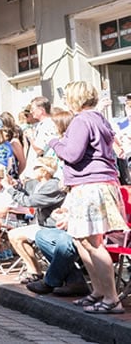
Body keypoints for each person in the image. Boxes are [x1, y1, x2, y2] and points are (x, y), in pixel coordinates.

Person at [49, 81, 128, 314]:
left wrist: (55, 142)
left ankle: (112, 298)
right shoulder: (99, 119)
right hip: (97, 184)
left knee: (92, 242)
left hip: (90, 185)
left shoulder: (81, 121)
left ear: (75, 99)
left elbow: (72, 154)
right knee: (80, 239)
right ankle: (99, 292)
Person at [4, 156, 66, 284]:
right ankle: (34, 270)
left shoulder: (53, 186)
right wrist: (16, 187)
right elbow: (27, 195)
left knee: (16, 235)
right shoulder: (37, 184)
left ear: (44, 171)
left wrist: (9, 189)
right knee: (14, 235)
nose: (31, 170)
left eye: (35, 167)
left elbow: (29, 201)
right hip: (42, 224)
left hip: (52, 227)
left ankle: (35, 272)